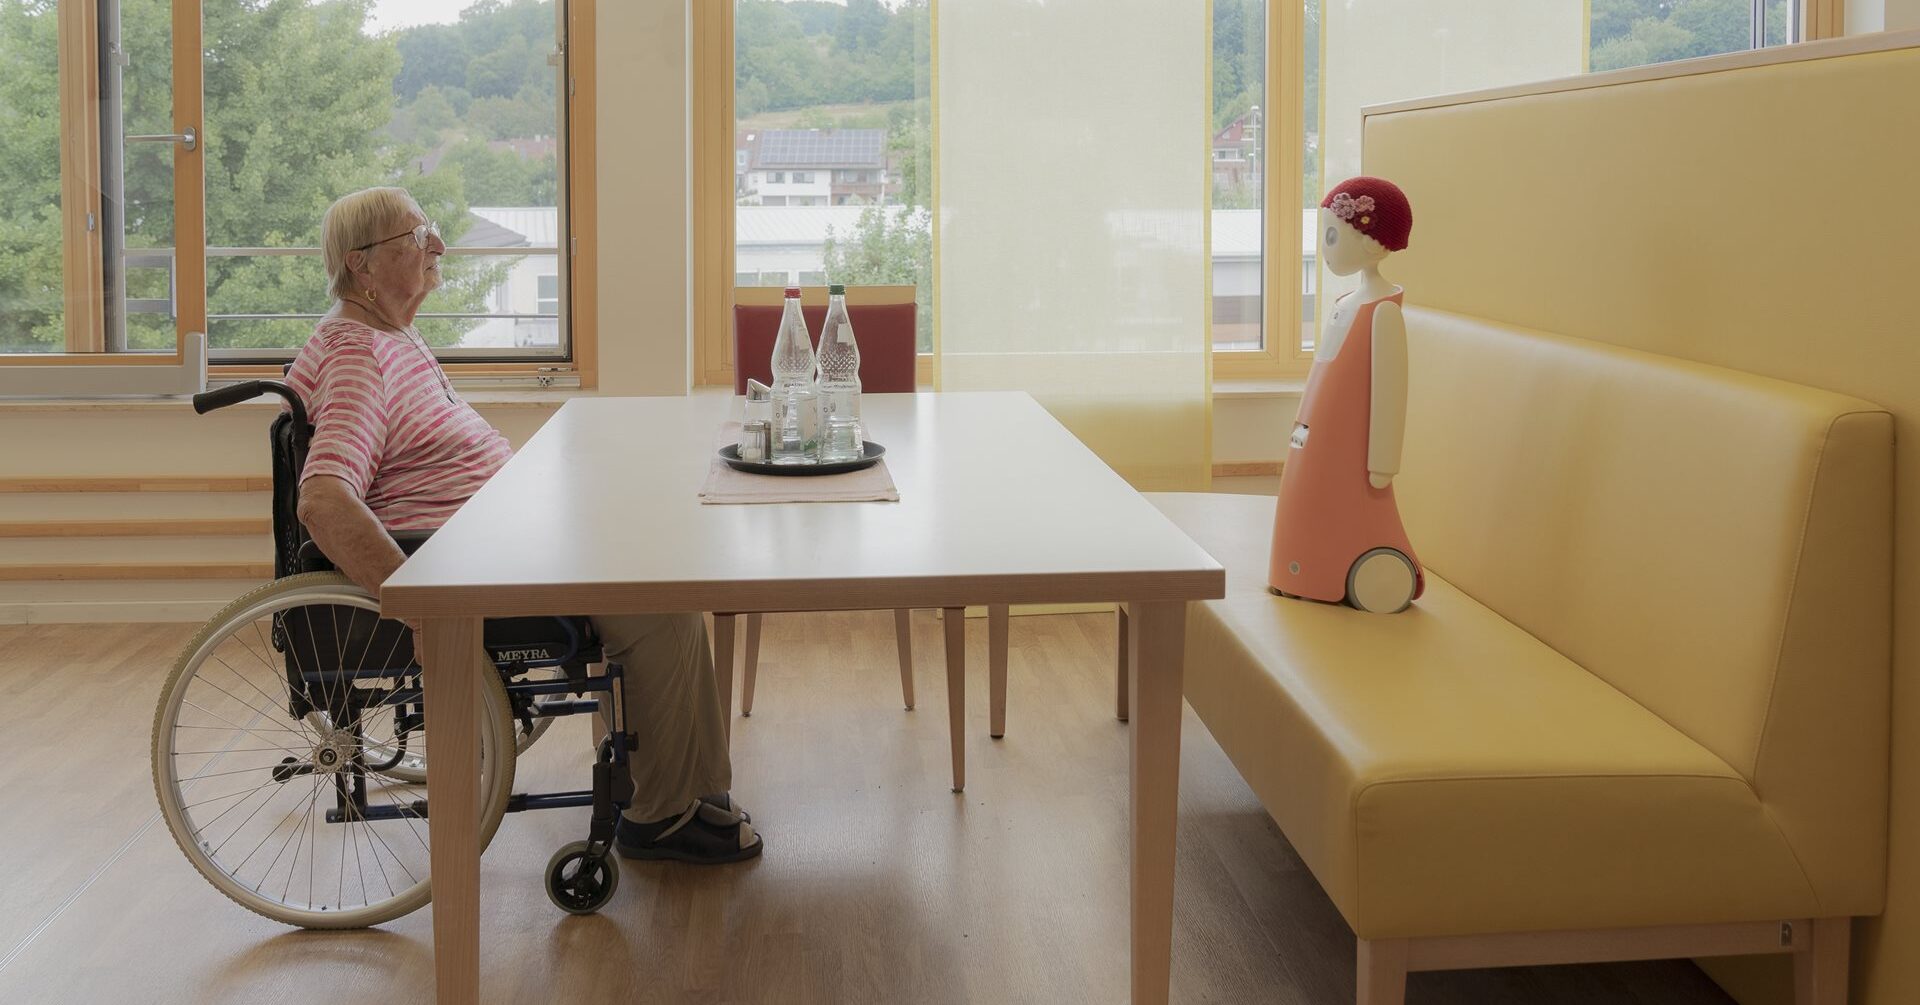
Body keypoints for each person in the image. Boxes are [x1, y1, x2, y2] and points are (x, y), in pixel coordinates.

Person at [290, 186, 760, 863]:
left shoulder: (389, 336)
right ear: (361, 265)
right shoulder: (359, 355)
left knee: (656, 545)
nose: (438, 245)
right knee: (661, 602)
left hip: (498, 542)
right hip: (470, 566)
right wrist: (421, 606)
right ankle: (665, 813)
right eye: (415, 239)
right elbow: (324, 500)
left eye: (430, 230)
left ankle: (673, 780)